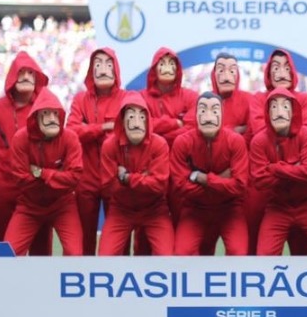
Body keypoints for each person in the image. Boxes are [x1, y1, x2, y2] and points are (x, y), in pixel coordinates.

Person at [249, 88, 307, 255]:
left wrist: (274, 167)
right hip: (278, 207)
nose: (279, 112)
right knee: (264, 257)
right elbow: (260, 180)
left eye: (285, 107)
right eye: (274, 107)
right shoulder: (259, 141)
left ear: (293, 112)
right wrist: (295, 168)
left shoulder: (305, 134)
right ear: (267, 113)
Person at [0, 51, 52, 253]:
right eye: (21, 72)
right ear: (12, 75)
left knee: (41, 249)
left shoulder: (46, 109)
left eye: (31, 73)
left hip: (37, 188)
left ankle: (41, 284)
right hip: (3, 187)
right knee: (2, 245)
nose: (25, 77)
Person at [4, 89, 83, 256]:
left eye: (56, 114)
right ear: (35, 118)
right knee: (9, 253)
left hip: (63, 204)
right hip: (29, 205)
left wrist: (42, 174)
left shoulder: (70, 138)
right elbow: (20, 179)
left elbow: (75, 177)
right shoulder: (21, 138)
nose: (52, 118)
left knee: (74, 253)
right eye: (46, 114)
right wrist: (59, 176)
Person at [170, 92, 250, 255]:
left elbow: (239, 186)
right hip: (194, 209)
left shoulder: (235, 141)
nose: (208, 117)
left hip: (230, 209)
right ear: (196, 114)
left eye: (214, 111)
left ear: (222, 114)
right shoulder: (182, 142)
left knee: (238, 252)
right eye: (203, 111)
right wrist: (220, 179)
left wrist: (202, 178)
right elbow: (180, 187)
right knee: (182, 253)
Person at [98, 92, 174, 256]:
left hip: (155, 210)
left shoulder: (159, 144)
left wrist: (127, 178)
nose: (136, 122)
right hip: (121, 210)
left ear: (148, 120)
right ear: (122, 121)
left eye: (141, 116)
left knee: (167, 257)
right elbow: (108, 188)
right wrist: (144, 176)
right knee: (105, 257)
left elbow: (159, 186)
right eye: (131, 116)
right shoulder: (109, 146)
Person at [68, 47, 128, 254]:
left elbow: (129, 133)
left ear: (116, 70)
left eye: (108, 64)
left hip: (116, 177)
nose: (103, 69)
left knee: (119, 239)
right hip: (87, 176)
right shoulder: (80, 99)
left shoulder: (126, 98)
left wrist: (88, 128)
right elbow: (72, 132)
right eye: (98, 64)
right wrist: (103, 128)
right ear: (91, 71)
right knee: (84, 238)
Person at [142, 47, 198, 147]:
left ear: (177, 69)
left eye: (172, 63)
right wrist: (175, 123)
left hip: (183, 154)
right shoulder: (141, 97)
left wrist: (159, 137)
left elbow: (193, 127)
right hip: (151, 155)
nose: (167, 69)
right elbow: (141, 124)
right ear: (154, 68)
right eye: (162, 63)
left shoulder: (191, 96)